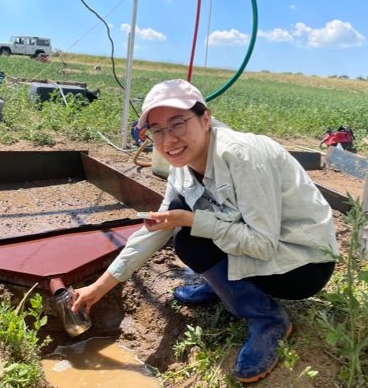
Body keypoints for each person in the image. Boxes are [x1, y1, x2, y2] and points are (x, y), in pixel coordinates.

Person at [72, 79, 338, 383]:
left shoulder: (243, 156)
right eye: (156, 130)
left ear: (205, 119)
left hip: (300, 264)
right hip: (256, 246)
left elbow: (263, 245)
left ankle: (267, 319)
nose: (168, 139)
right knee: (185, 233)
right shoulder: (181, 166)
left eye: (178, 124)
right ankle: (223, 283)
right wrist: (98, 288)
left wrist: (191, 220)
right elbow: (157, 227)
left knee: (189, 234)